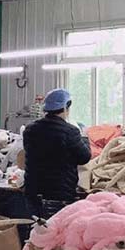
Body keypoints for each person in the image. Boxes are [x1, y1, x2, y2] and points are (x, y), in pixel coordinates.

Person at [22, 88, 91, 219]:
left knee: (36, 227)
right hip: (59, 194)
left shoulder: (30, 129)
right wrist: (84, 138)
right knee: (56, 229)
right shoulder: (70, 131)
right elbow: (84, 157)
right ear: (66, 107)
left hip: (33, 192)